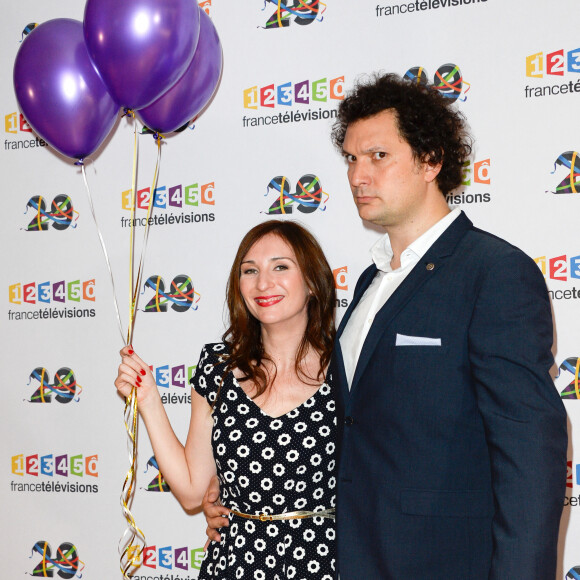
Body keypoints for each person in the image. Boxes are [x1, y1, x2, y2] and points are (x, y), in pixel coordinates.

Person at [204, 73, 568, 579]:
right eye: (351, 159)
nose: (357, 176)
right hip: (348, 560)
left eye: (378, 156)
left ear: (431, 160)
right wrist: (247, 500)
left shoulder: (492, 273)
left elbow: (529, 457)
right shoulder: (371, 284)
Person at [115, 220, 338, 580]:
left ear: (313, 281)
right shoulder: (218, 366)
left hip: (318, 563)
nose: (263, 283)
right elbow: (191, 491)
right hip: (234, 563)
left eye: (280, 266)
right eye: (250, 271)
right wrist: (150, 401)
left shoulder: (346, 369)